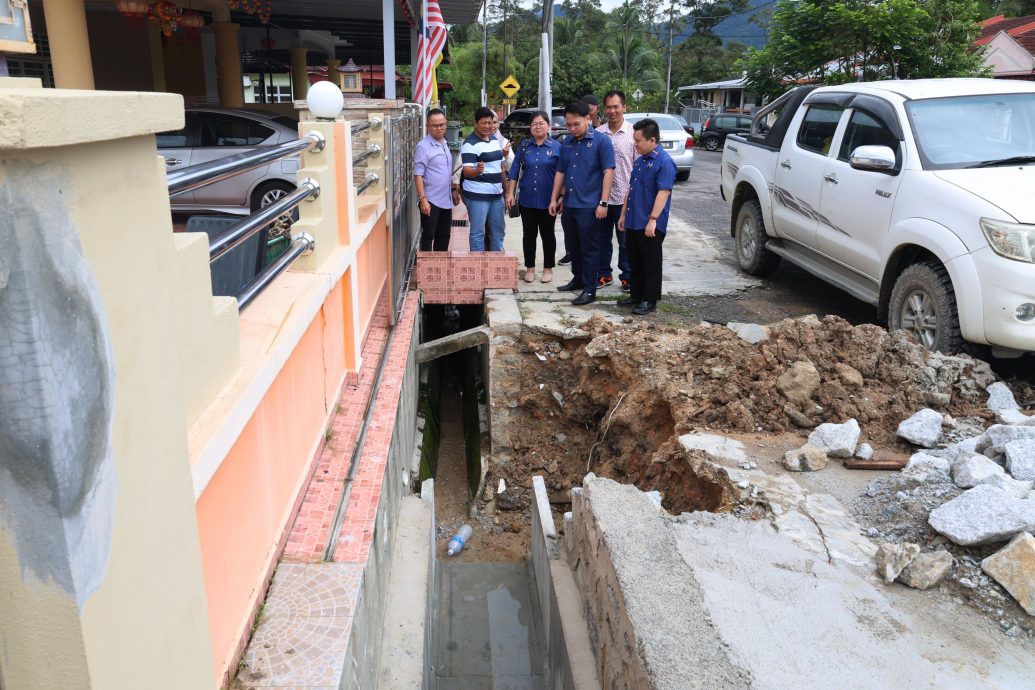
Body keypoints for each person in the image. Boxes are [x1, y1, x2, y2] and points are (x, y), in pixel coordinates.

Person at [548, 100, 615, 306]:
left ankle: (590, 288)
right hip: (570, 204)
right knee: (573, 247)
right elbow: (561, 172)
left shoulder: (602, 141)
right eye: (568, 124)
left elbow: (608, 172)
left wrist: (603, 202)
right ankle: (577, 279)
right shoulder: (567, 142)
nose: (571, 128)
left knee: (589, 248)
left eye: (575, 124)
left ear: (588, 118)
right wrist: (554, 198)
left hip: (590, 205)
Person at [618, 118, 676, 315]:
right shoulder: (640, 161)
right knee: (635, 260)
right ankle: (636, 295)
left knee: (650, 262)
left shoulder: (664, 162)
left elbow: (664, 192)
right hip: (634, 219)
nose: (635, 145)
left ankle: (649, 300)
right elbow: (630, 189)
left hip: (650, 223)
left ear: (652, 140)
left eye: (638, 141)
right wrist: (623, 213)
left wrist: (653, 220)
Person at [505, 111, 561, 283]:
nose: (538, 126)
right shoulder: (524, 146)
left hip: (548, 200)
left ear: (548, 126)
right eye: (534, 124)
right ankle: (529, 268)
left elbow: (562, 174)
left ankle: (548, 269)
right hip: (527, 199)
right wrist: (510, 193)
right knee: (528, 235)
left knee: (548, 235)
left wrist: (560, 197)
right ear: (530, 127)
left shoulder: (557, 147)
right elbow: (514, 170)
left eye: (541, 123)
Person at [596, 90, 635, 291]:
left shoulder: (633, 134)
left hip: (624, 197)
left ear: (624, 107)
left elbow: (639, 166)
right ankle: (604, 274)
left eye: (616, 107)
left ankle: (627, 276)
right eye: (609, 107)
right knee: (602, 239)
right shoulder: (598, 133)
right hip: (602, 197)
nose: (612, 111)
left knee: (625, 241)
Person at [460, 106, 507, 251]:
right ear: (475, 123)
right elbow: (467, 171)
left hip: (497, 195)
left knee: (498, 232)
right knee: (478, 233)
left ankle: (496, 265)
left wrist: (506, 191)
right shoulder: (469, 144)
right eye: (484, 123)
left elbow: (498, 166)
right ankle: (477, 268)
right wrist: (476, 171)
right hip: (477, 196)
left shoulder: (493, 140)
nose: (488, 126)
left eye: (491, 122)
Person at [413, 108, 453, 251]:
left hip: (446, 201)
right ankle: (427, 271)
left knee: (444, 236)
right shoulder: (423, 147)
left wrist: (454, 190)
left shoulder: (444, 143)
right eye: (435, 125)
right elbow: (418, 174)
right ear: (427, 126)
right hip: (431, 201)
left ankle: (440, 269)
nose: (439, 128)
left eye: (442, 124)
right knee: (428, 236)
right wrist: (423, 199)